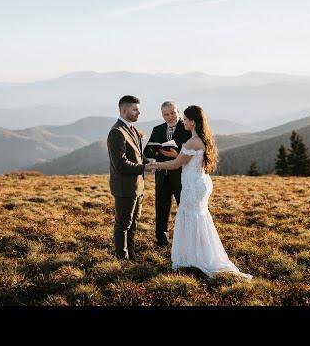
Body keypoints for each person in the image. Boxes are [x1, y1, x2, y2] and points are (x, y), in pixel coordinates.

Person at [146, 105, 252, 279]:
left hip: (193, 185)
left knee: (190, 217)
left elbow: (176, 163)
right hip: (201, 182)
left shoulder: (192, 142)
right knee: (198, 218)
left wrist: (155, 165)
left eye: (186, 119)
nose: (184, 122)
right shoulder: (203, 138)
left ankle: (193, 258)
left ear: (193, 122)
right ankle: (199, 254)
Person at [144, 101, 192, 247]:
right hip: (161, 176)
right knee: (161, 210)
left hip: (180, 176)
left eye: (173, 113)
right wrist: (156, 150)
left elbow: (190, 153)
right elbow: (147, 151)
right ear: (162, 115)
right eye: (166, 114)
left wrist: (176, 155)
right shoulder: (157, 129)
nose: (170, 116)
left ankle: (187, 240)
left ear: (178, 112)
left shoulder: (187, 129)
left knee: (184, 209)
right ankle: (161, 241)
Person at [107, 95, 147, 260]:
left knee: (134, 223)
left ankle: (132, 255)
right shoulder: (116, 132)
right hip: (124, 187)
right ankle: (121, 259)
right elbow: (121, 164)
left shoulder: (132, 129)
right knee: (123, 224)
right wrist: (145, 167)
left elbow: (136, 156)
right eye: (135, 109)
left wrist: (150, 161)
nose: (139, 112)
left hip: (137, 186)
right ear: (124, 110)